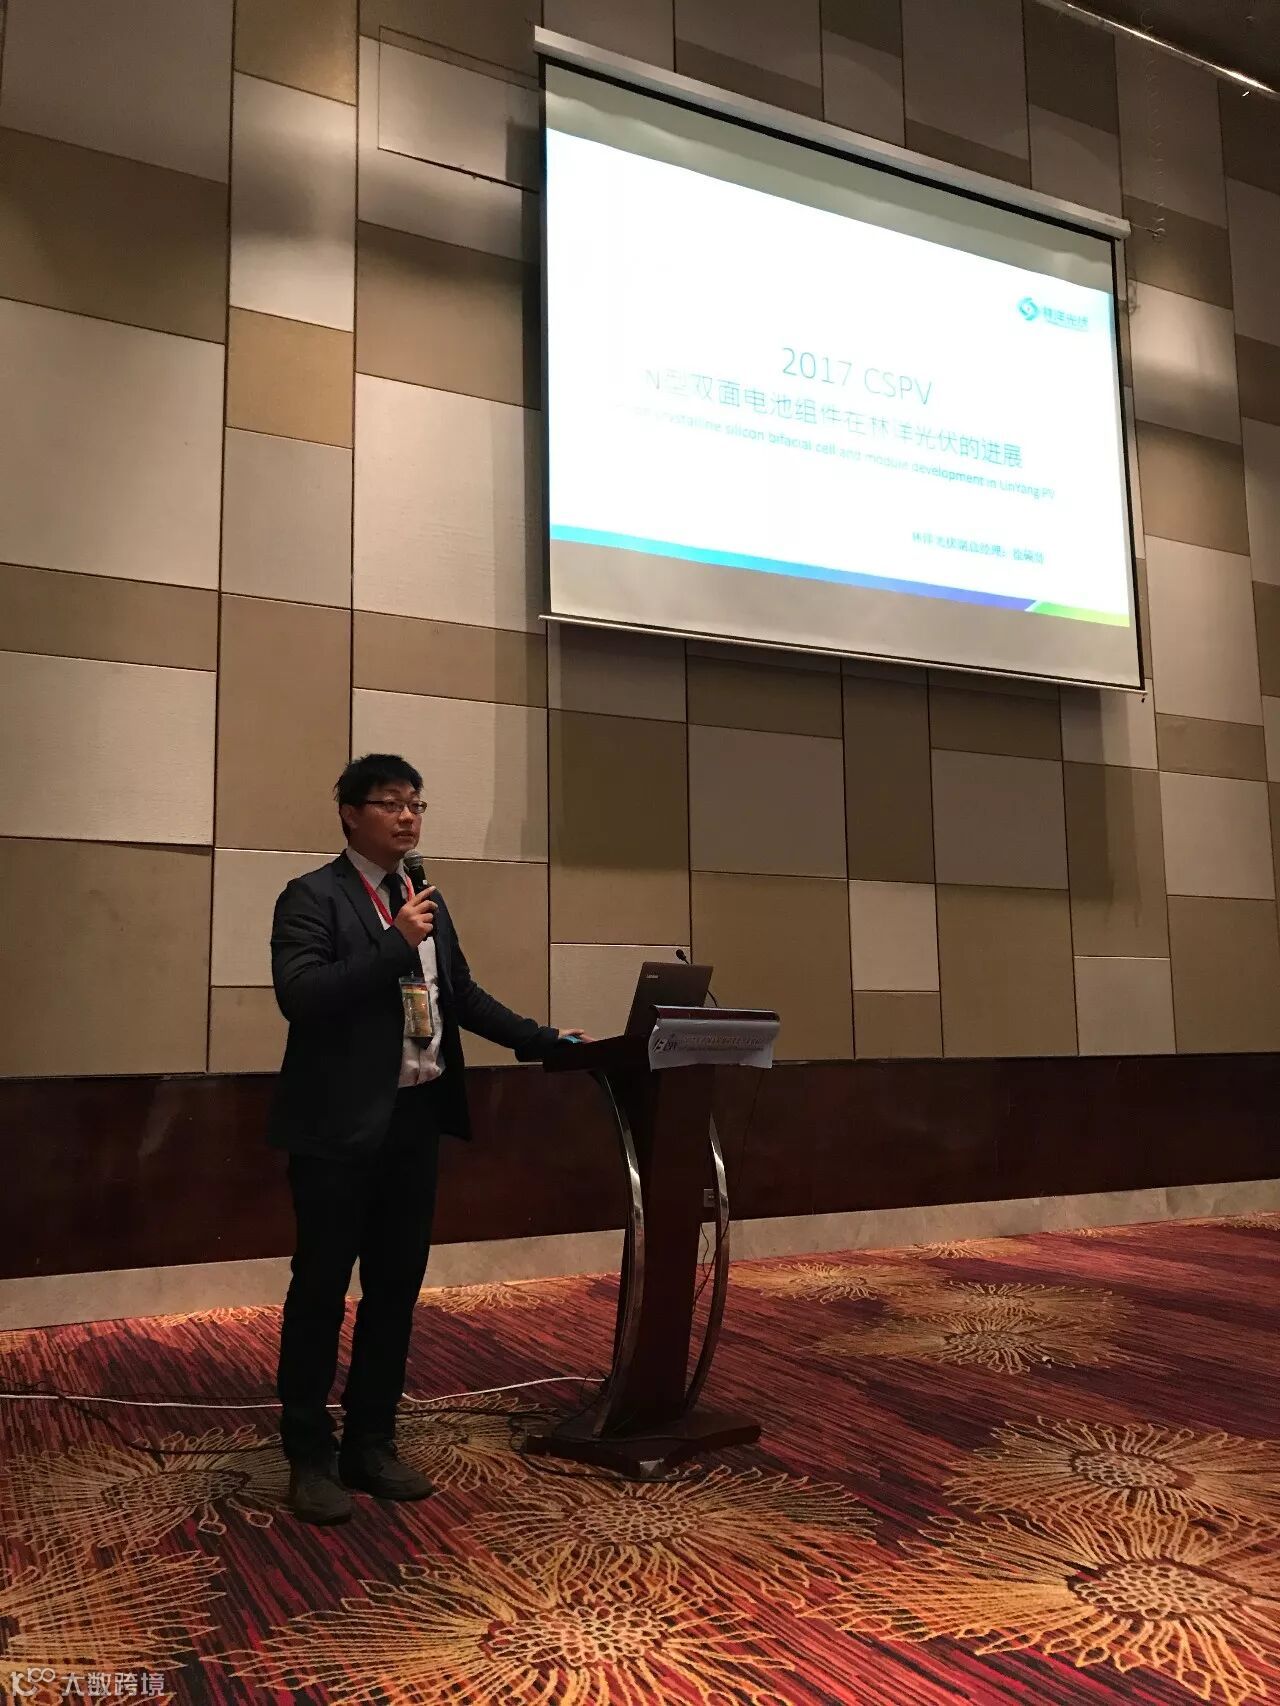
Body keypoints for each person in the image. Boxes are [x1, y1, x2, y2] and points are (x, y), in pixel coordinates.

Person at [269, 753, 587, 1524]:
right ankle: (308, 1454)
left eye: (416, 803)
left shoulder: (421, 897)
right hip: (337, 1128)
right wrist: (393, 942)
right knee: (320, 1290)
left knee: (395, 1290)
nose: (408, 817)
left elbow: (459, 995)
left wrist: (543, 1041)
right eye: (391, 803)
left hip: (413, 1121)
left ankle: (371, 1442)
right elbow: (301, 996)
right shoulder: (311, 897)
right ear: (350, 814)